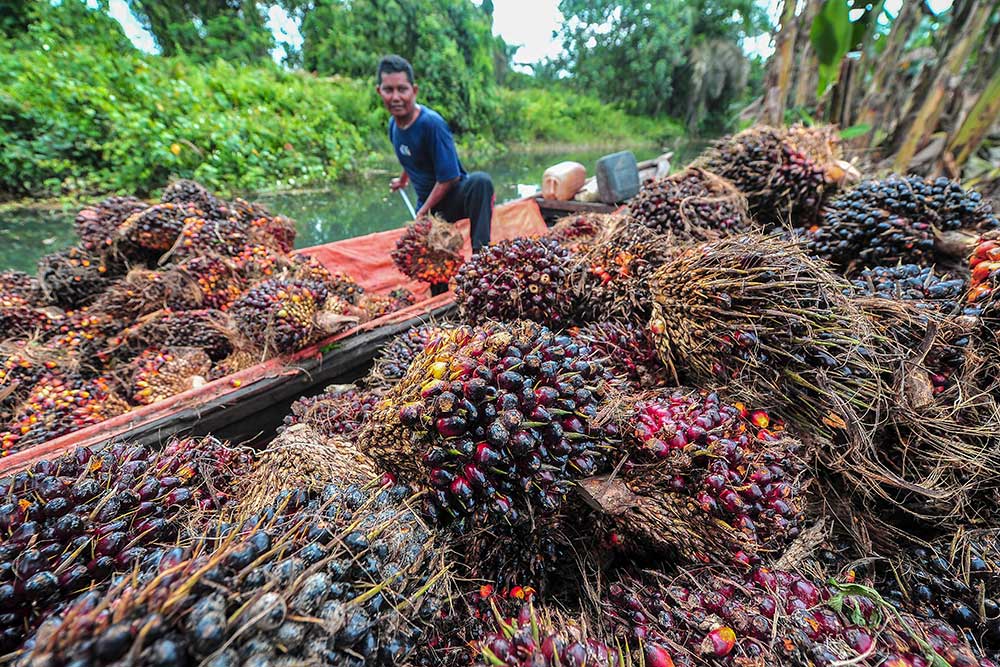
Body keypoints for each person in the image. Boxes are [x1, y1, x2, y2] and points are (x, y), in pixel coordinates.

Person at [376, 54, 494, 294]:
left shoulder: (432, 124)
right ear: (380, 91)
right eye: (389, 90)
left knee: (481, 182)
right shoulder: (393, 125)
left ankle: (482, 263)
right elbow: (409, 156)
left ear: (414, 90)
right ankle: (440, 295)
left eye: (402, 89)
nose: (396, 97)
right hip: (429, 206)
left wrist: (422, 212)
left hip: (453, 197)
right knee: (430, 262)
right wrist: (402, 180)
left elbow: (449, 178)